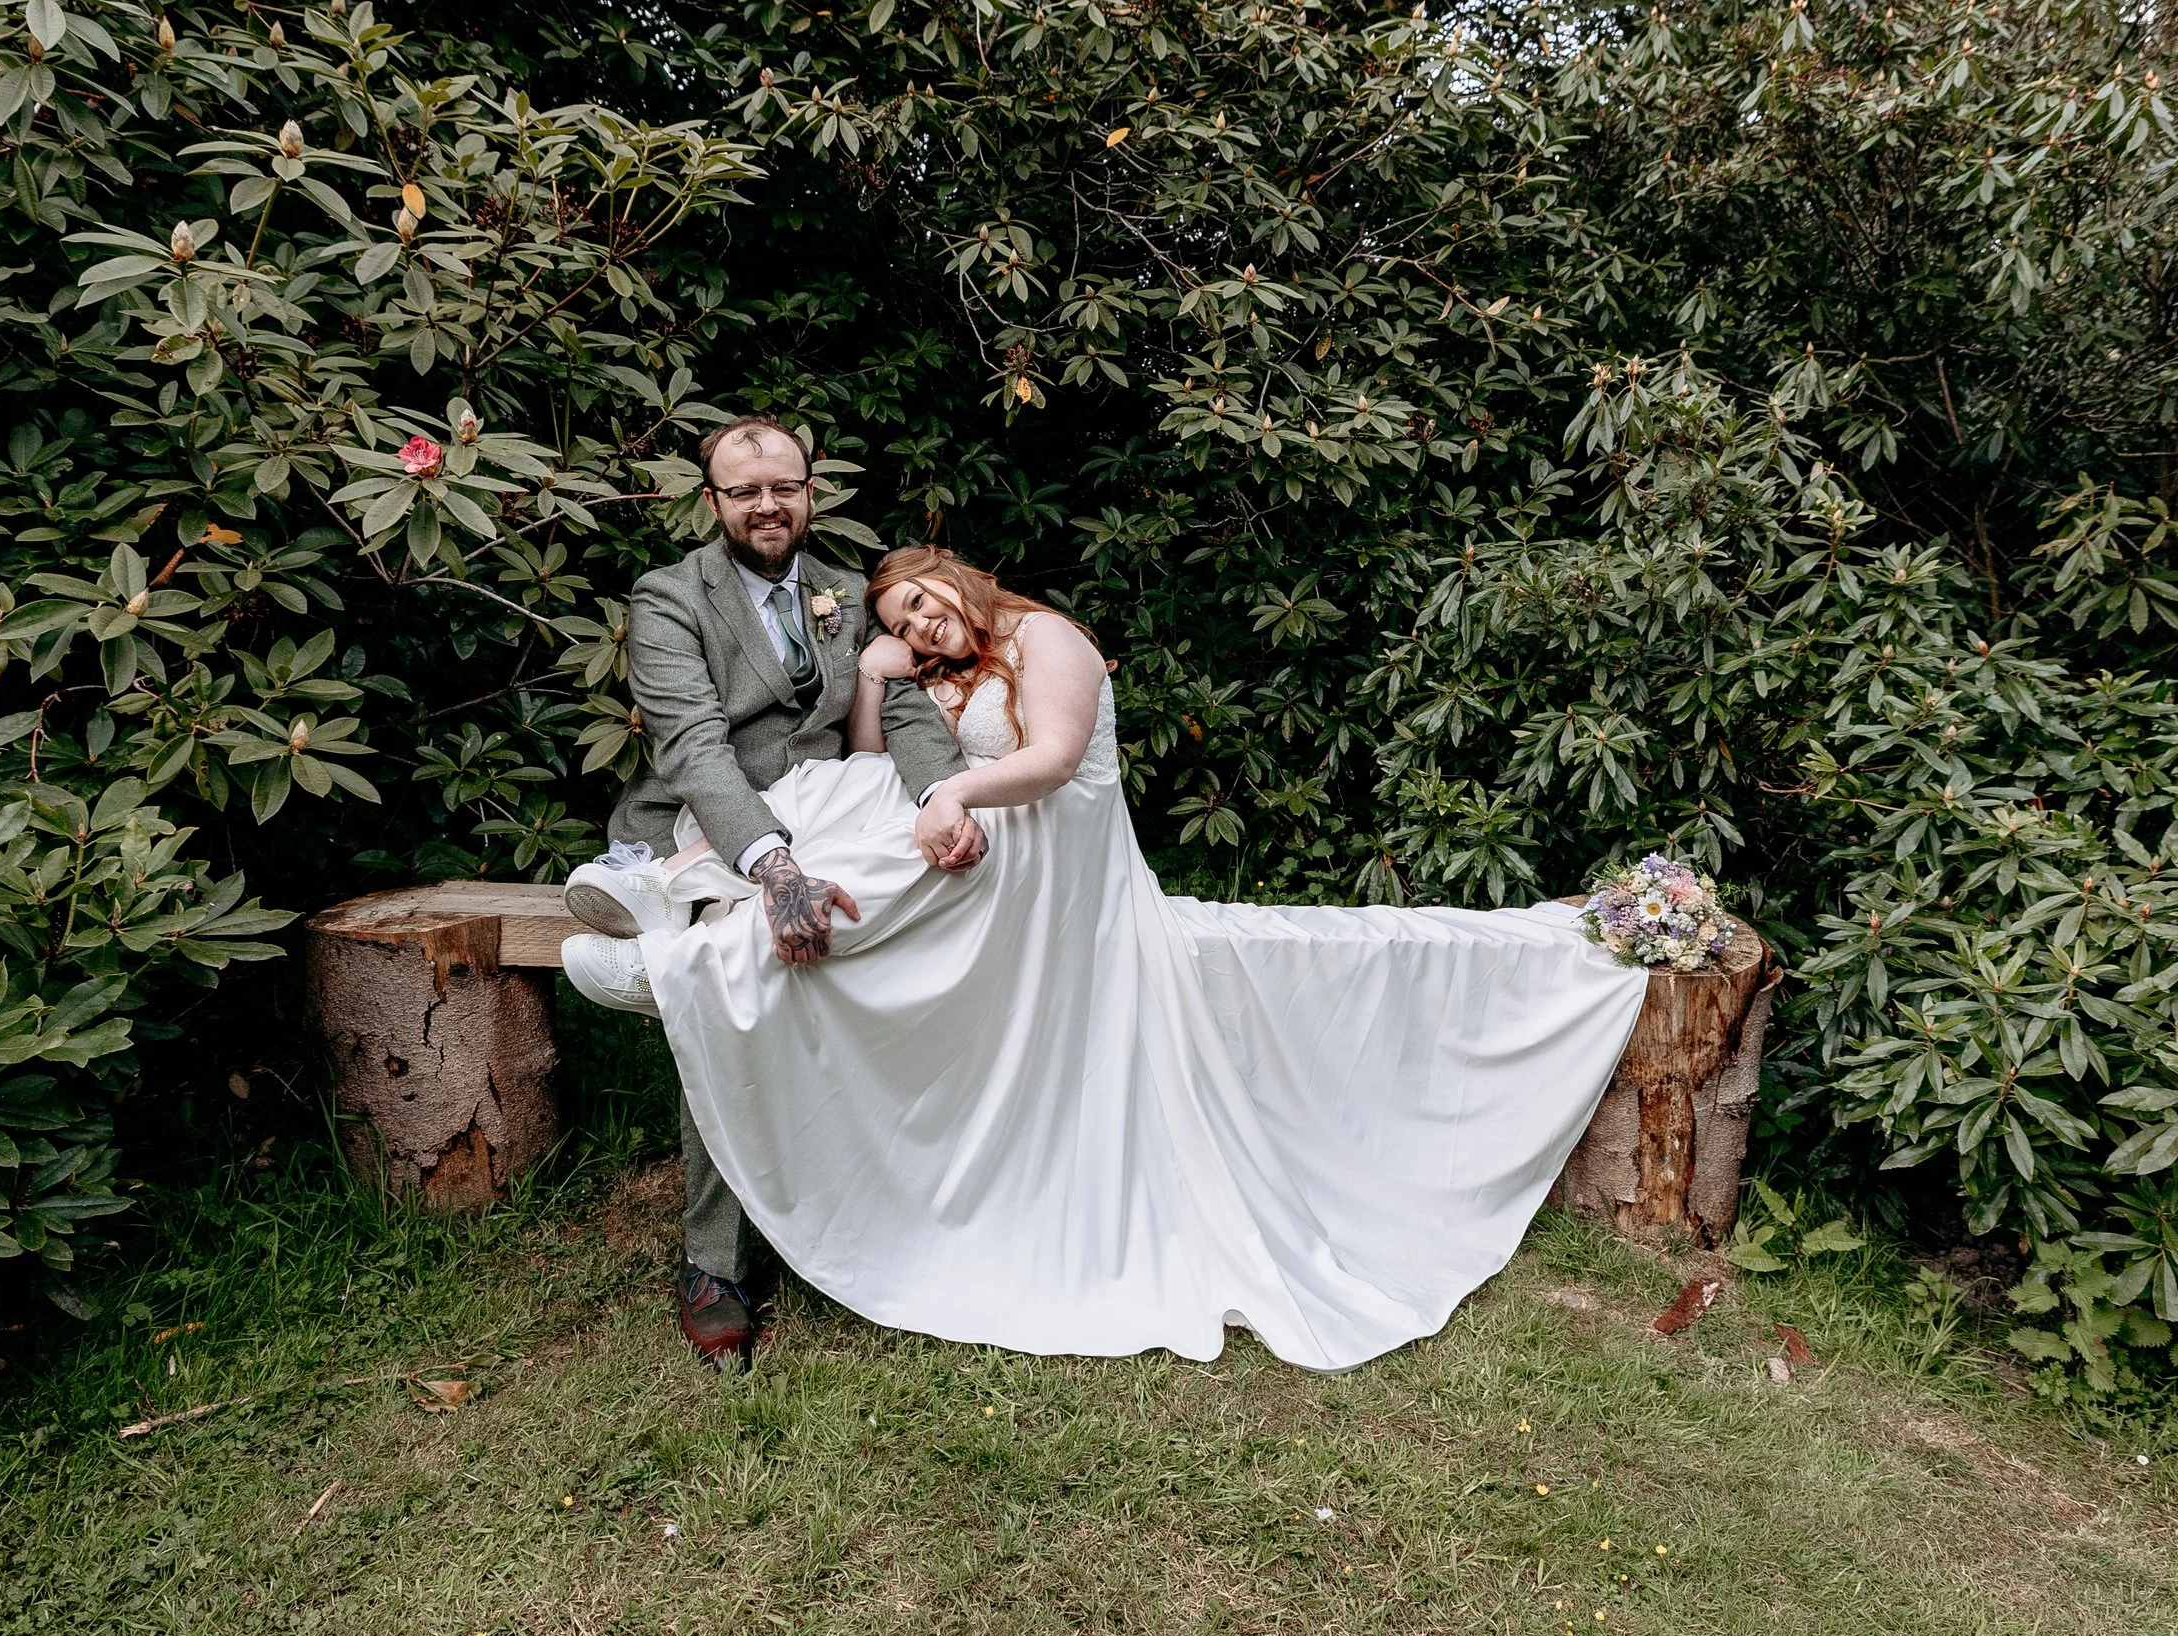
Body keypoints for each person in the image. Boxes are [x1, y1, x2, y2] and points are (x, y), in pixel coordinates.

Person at [562, 540, 1652, 1375]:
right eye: (903, 620)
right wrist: (878, 676)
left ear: (955, 574)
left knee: (914, 833)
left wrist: (948, 790)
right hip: (994, 851)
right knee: (861, 804)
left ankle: (675, 961)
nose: (926, 626)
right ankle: (672, 899)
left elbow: (1050, 759)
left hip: (1059, 852)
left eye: (925, 604)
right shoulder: (940, 667)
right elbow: (865, 763)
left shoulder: (1049, 639)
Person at [558, 416, 983, 1370]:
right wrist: (775, 868)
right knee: (739, 974)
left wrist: (941, 793)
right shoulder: (671, 597)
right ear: (710, 501)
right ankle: (715, 1264)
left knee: (914, 909)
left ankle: (654, 945)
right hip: (712, 821)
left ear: (809, 491)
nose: (766, 504)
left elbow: (905, 702)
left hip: (834, 807)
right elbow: (693, 747)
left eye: (782, 486)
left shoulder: (850, 584)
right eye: (743, 489)